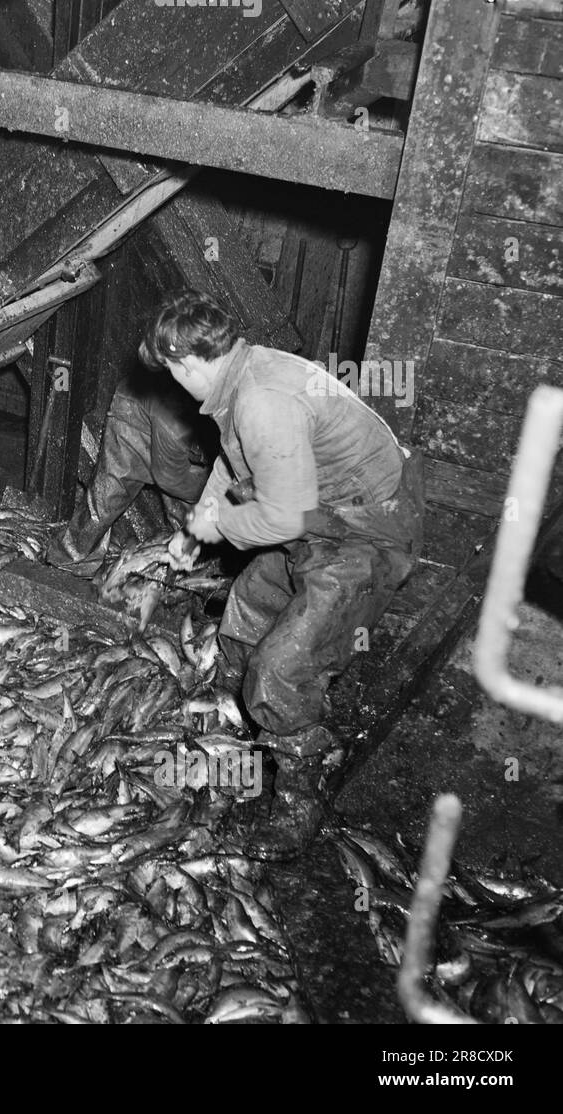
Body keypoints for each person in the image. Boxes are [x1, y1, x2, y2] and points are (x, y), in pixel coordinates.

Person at [144, 289, 424, 861]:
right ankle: (239, 726)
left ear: (187, 359)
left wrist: (220, 526)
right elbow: (236, 464)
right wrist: (194, 529)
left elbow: (281, 514)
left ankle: (302, 798)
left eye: (171, 369)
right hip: (320, 514)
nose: (172, 382)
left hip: (365, 533)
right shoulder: (243, 376)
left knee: (282, 666)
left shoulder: (263, 398)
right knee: (247, 607)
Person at [47, 374, 216, 576]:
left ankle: (177, 579)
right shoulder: (177, 421)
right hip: (134, 419)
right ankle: (65, 564)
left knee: (191, 525)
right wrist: (206, 495)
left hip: (182, 435)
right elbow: (170, 478)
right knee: (104, 501)